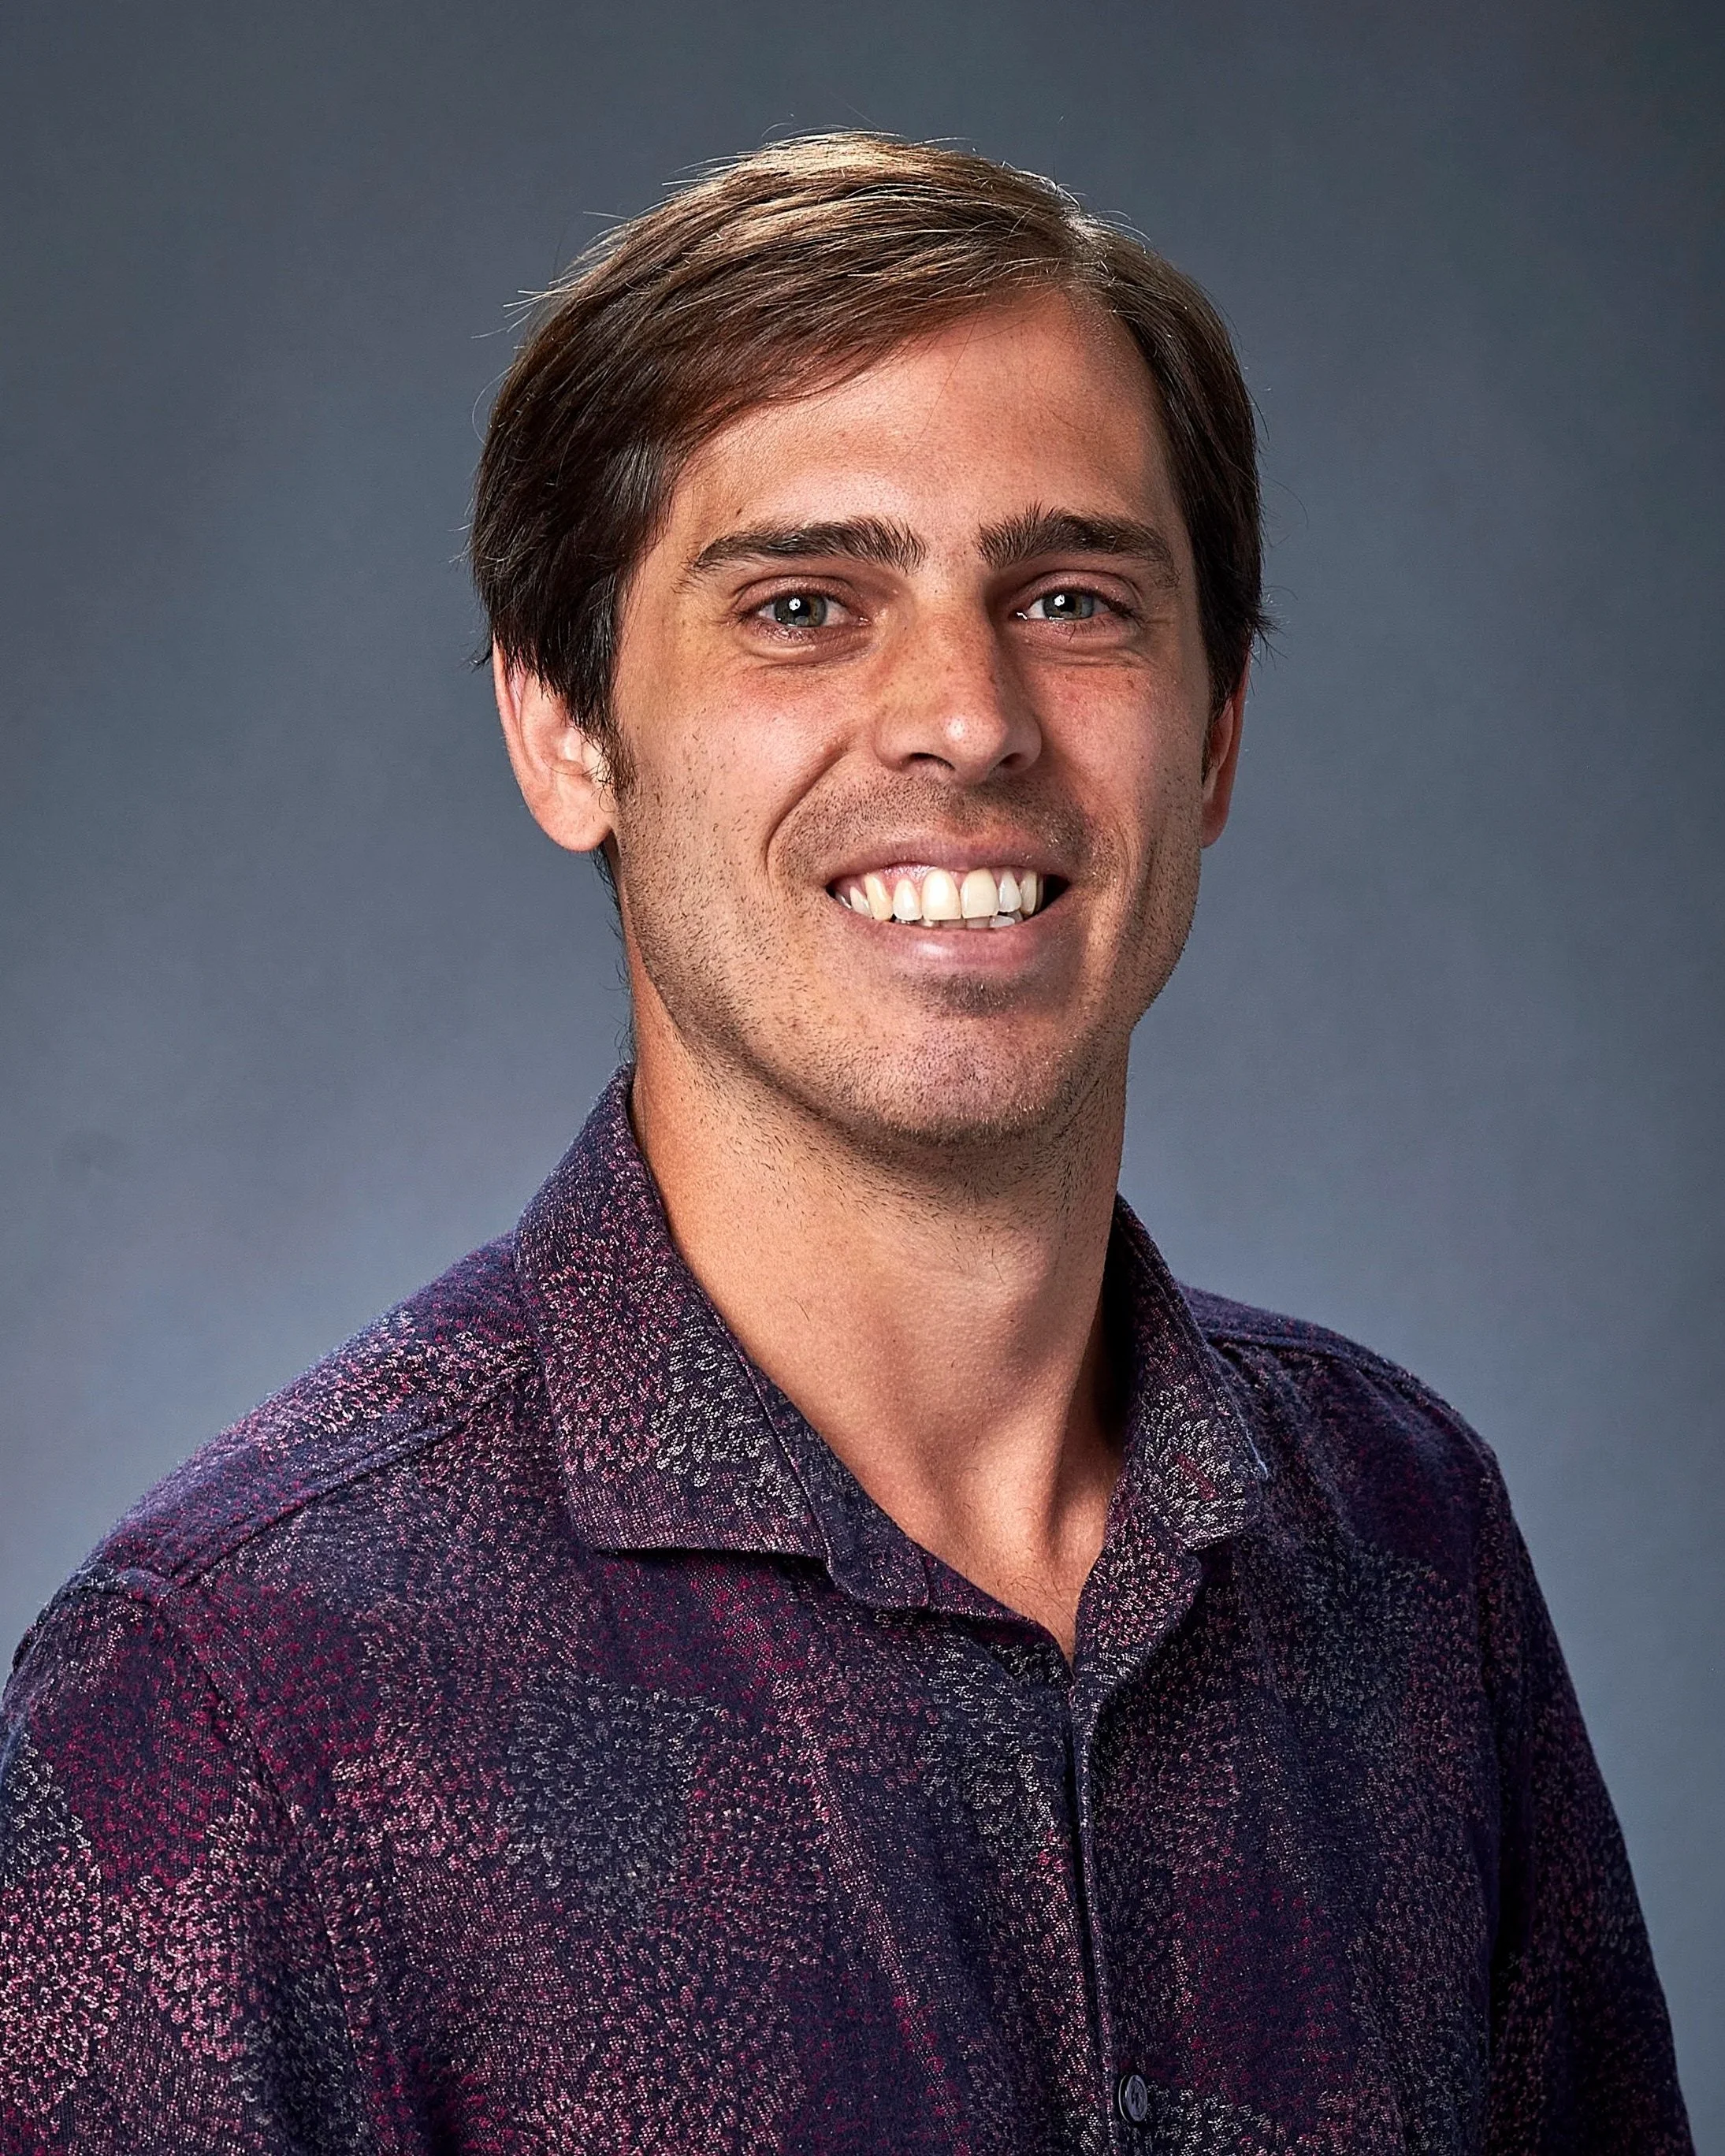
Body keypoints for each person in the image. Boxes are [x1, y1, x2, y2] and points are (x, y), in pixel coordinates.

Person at [0, 134, 1690, 2155]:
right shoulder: (229, 1702)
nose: (965, 721)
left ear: (1217, 734)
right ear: (562, 729)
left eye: (1067, 598)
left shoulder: (1407, 1552)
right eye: (804, 604)